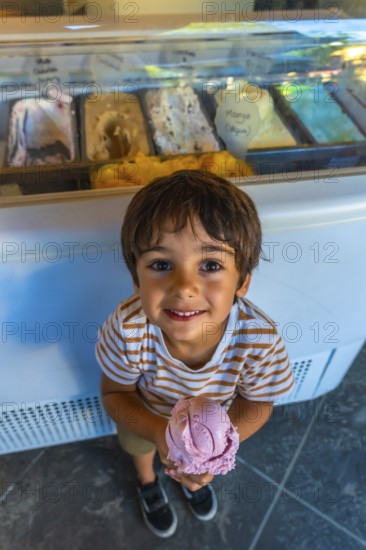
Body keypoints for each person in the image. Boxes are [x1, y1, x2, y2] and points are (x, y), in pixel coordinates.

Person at [96, 169, 295, 538]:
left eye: (211, 265)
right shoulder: (128, 328)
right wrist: (159, 434)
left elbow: (259, 403)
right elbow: (114, 394)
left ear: (242, 281)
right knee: (138, 448)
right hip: (147, 415)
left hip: (213, 432)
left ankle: (196, 482)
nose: (185, 287)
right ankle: (147, 482)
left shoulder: (259, 338)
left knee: (195, 474)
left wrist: (213, 453)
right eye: (161, 265)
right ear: (137, 280)